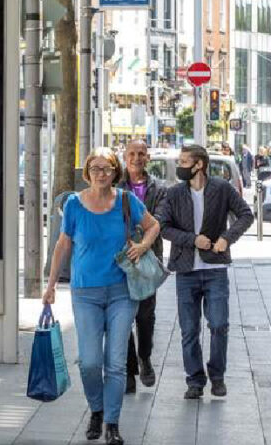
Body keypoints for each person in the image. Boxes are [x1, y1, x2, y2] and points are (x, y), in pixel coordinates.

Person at [43, 148, 160, 445]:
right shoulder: (73, 205)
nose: (101, 174)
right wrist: (51, 284)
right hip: (86, 292)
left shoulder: (126, 200)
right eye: (95, 168)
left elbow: (153, 225)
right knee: (90, 362)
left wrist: (144, 245)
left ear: (115, 171)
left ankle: (111, 423)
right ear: (87, 172)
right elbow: (62, 244)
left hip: (122, 291)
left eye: (107, 168)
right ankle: (96, 409)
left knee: (116, 362)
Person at [159, 145, 253, 399]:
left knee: (219, 324)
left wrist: (226, 238)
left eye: (184, 161)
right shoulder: (175, 193)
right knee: (189, 330)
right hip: (186, 270)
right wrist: (192, 240)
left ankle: (217, 376)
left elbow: (246, 214)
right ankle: (195, 380)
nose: (180, 165)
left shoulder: (221, 188)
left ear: (199, 164)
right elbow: (163, 226)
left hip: (215, 269)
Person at [117, 140, 168, 394]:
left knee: (145, 316)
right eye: (132, 154)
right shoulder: (115, 186)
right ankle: (128, 370)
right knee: (123, 316)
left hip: (148, 260)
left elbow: (159, 221)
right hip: (120, 261)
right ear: (125, 157)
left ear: (147, 158)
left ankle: (144, 356)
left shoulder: (159, 188)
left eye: (141, 154)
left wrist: (143, 244)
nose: (137, 158)